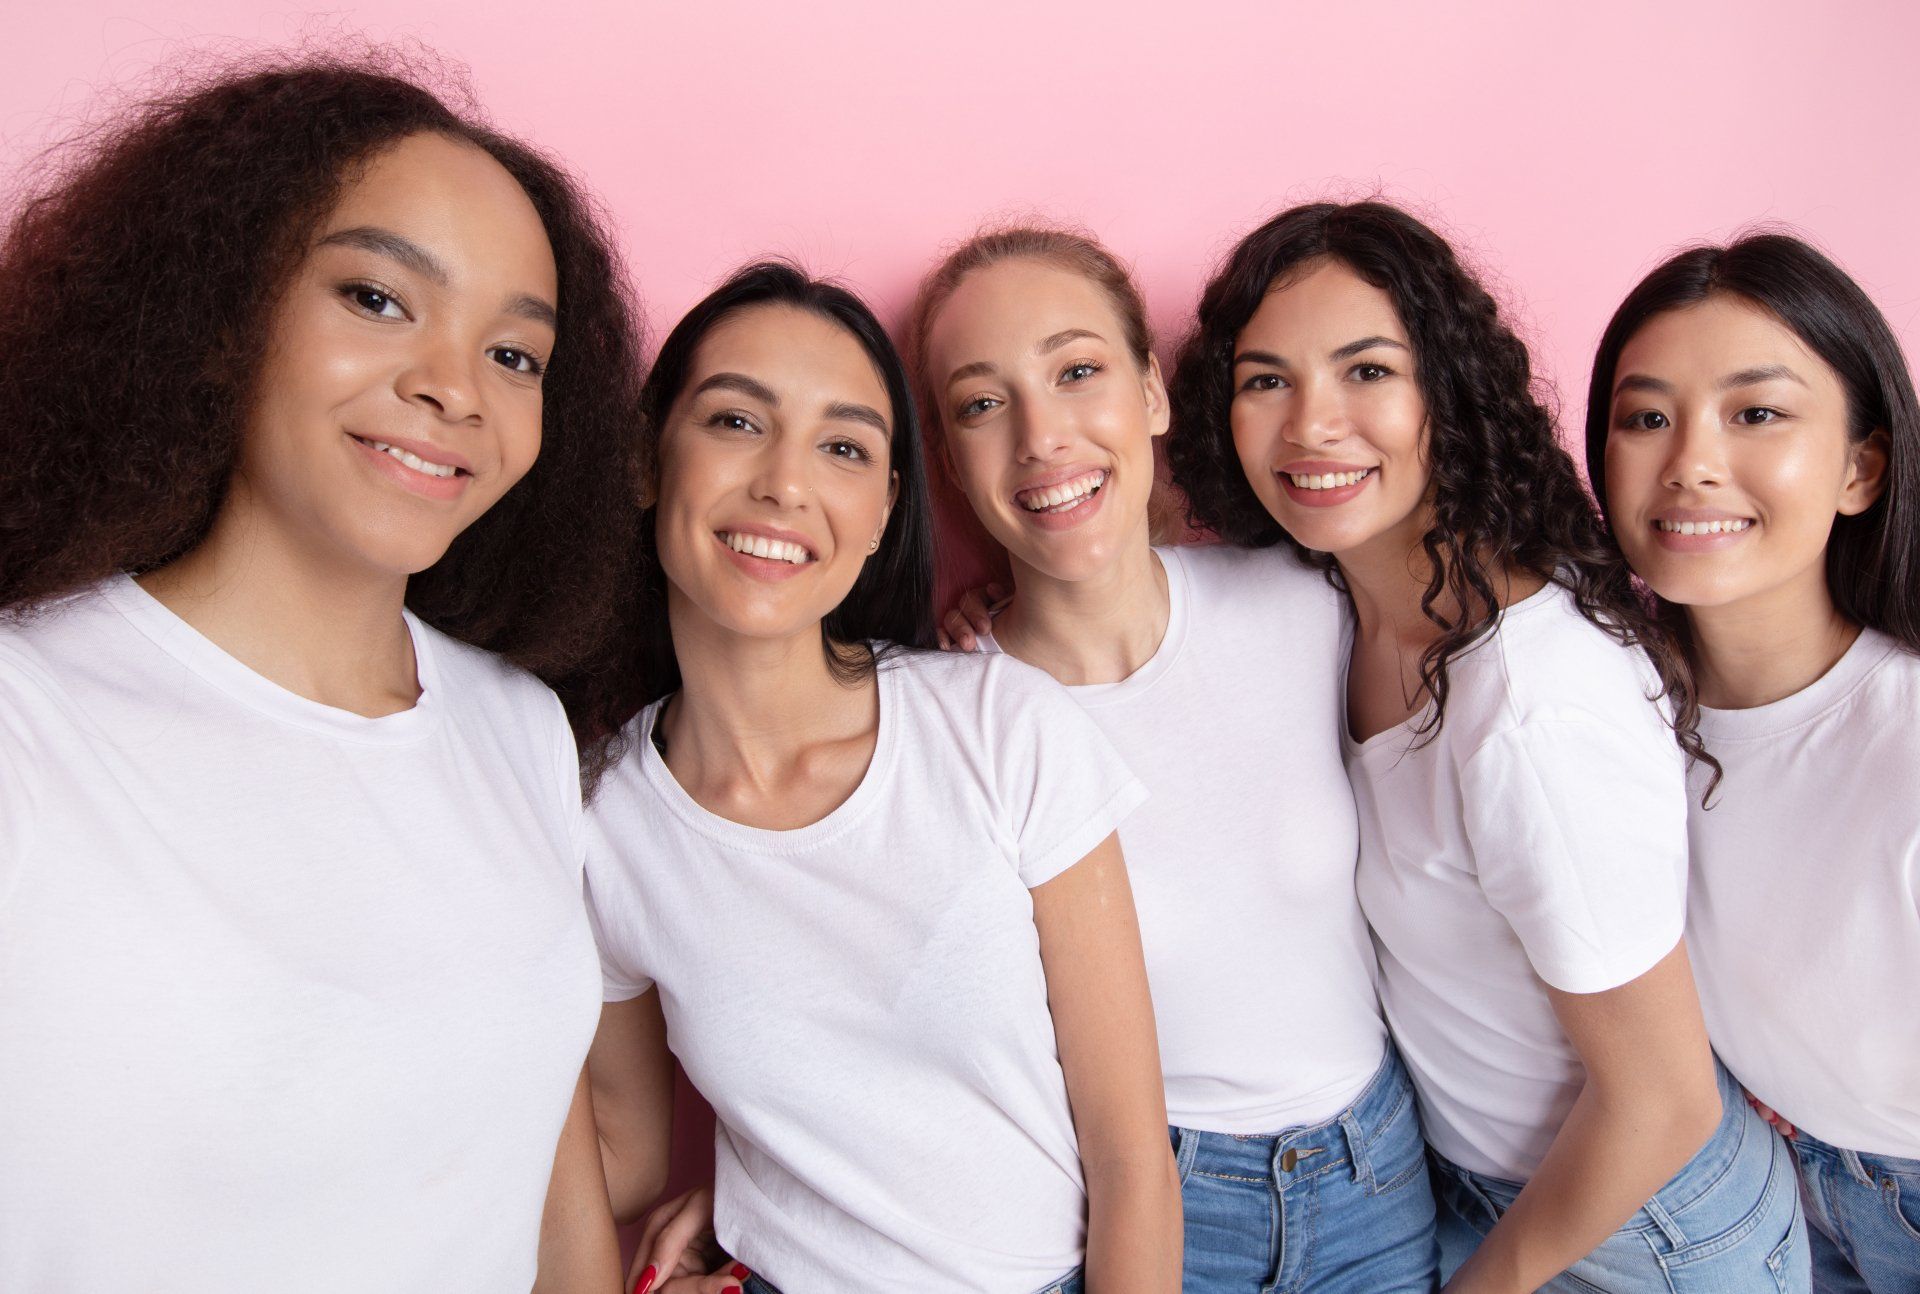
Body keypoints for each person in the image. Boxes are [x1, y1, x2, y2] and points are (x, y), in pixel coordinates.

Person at [0, 53, 647, 1292]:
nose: (452, 387)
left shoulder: (518, 730)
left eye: (516, 356)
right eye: (378, 297)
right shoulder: (28, 727)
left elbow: (547, 1178)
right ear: (222, 307)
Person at [1166, 200, 1808, 1292]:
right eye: (1266, 379)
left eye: (1367, 371)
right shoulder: (1340, 597)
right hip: (1480, 1185)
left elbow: (1663, 1099)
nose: (1312, 424)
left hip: (1646, 1229)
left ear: (1446, 394)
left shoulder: (1532, 707)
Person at [573, 261, 1182, 1294]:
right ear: (648, 456)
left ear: (885, 503)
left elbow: (1131, 1163)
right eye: (734, 422)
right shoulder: (605, 821)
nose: (786, 483)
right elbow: (620, 1156)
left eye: (844, 446)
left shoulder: (1000, 726)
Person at [917, 225, 1438, 1292]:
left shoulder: (1306, 598)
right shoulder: (956, 721)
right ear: (947, 455)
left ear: (1151, 393)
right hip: (1156, 1207)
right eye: (983, 402)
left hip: (1377, 1174)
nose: (1041, 435)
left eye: (1077, 372)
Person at [1587, 231, 1920, 1294]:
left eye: (1756, 413)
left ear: (1861, 467)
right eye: (1646, 417)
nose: (1690, 460)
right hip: (1750, 1188)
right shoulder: (1599, 708)